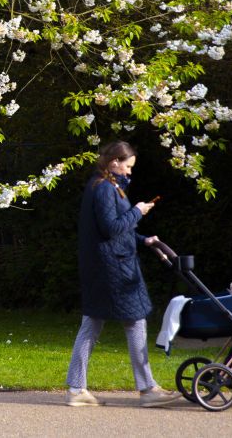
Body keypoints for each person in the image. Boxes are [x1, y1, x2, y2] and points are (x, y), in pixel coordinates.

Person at [64, 141, 180, 408]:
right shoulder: (104, 188)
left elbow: (113, 230)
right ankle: (147, 389)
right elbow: (110, 228)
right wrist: (137, 212)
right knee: (134, 321)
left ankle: (76, 388)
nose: (129, 172)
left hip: (105, 265)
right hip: (113, 268)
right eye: (127, 166)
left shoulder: (103, 185)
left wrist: (143, 240)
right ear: (114, 162)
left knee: (92, 324)